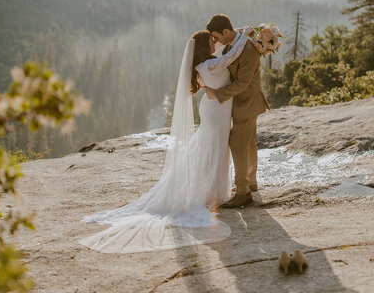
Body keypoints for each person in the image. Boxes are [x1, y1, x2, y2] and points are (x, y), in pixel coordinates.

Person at [79, 26, 254, 254]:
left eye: (215, 39)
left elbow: (223, 49)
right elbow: (230, 56)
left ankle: (215, 190)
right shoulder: (207, 65)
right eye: (211, 40)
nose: (215, 43)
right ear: (204, 46)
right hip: (215, 111)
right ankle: (209, 192)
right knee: (213, 146)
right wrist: (245, 36)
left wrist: (236, 32)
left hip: (220, 109)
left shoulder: (208, 61)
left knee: (216, 146)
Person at [205, 14, 270, 209]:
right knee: (248, 141)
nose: (216, 41)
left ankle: (243, 191)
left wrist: (217, 94)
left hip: (248, 102)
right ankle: (251, 182)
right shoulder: (237, 43)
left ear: (226, 31)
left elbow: (242, 83)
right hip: (243, 102)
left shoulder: (248, 49)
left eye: (217, 36)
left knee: (237, 142)